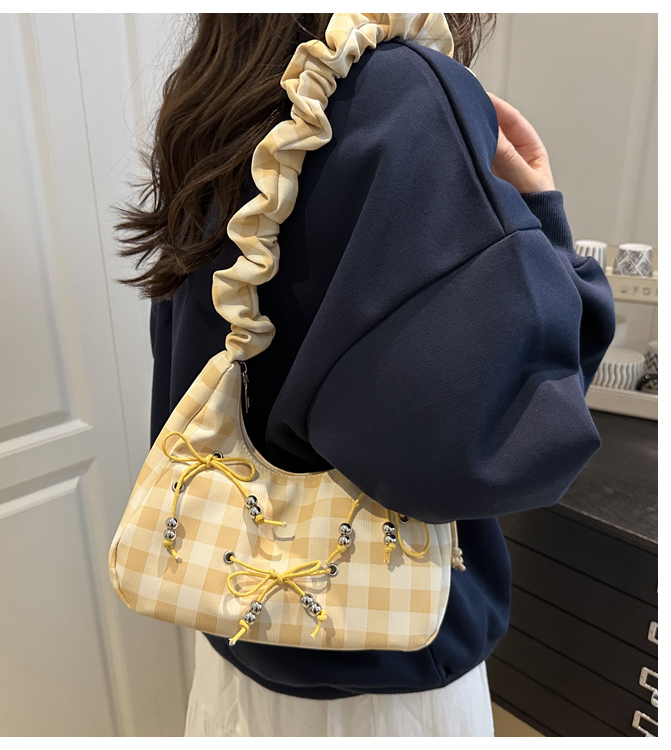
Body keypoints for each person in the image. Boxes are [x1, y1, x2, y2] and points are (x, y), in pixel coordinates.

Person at [115, 13, 616, 738]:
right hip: (385, 686)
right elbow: (516, 430)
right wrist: (543, 219)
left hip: (233, 640)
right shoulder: (400, 88)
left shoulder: (212, 98)